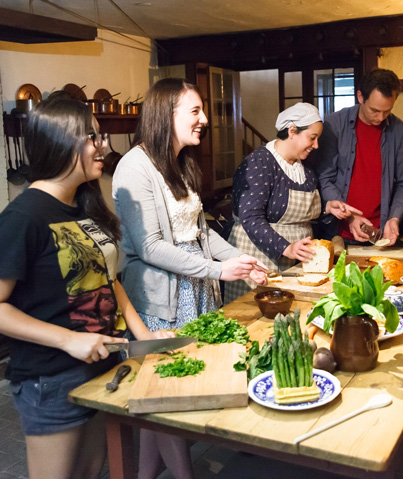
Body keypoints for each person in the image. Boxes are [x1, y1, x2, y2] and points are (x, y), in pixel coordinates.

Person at [0, 94, 174, 479]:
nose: (104, 147)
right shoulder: (23, 216)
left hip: (102, 367)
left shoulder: (84, 207)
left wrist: (144, 337)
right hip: (52, 376)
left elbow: (108, 280)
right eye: (93, 137)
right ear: (63, 141)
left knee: (92, 470)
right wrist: (67, 339)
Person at [112, 78, 267, 479]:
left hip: (194, 290)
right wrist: (218, 269)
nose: (204, 120)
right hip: (158, 298)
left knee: (165, 397)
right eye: (194, 111)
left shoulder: (179, 163)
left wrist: (244, 261)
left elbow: (200, 232)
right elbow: (149, 246)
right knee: (166, 396)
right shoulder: (134, 166)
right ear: (167, 114)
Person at [224, 102, 358, 302]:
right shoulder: (259, 163)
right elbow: (250, 217)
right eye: (312, 138)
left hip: (294, 261)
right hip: (258, 259)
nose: (316, 145)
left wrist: (328, 207)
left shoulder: (304, 167)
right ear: (292, 131)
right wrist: (286, 247)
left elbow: (299, 210)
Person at [313, 68, 403, 245]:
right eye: (374, 110)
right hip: (337, 234)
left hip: (380, 234)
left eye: (387, 111)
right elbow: (324, 178)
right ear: (360, 97)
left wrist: (394, 218)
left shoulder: (400, 131)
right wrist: (350, 216)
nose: (380, 117)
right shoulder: (335, 125)